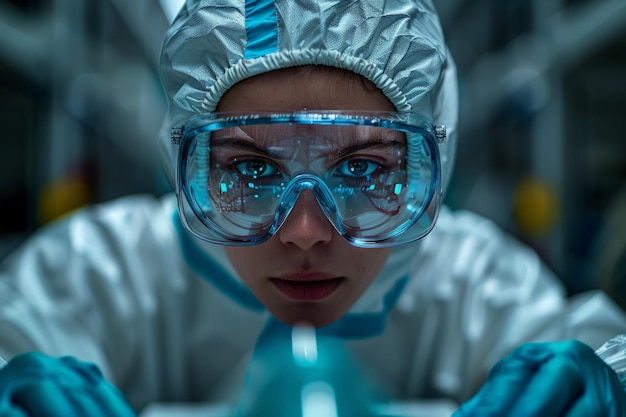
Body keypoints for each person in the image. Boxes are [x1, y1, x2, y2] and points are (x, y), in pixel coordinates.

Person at [0, 0, 625, 415]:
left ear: (432, 165)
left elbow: (600, 353)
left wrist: (608, 383)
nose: (304, 231)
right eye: (250, 168)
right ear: (183, 164)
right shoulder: (100, 273)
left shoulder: (473, 282)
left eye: (361, 168)